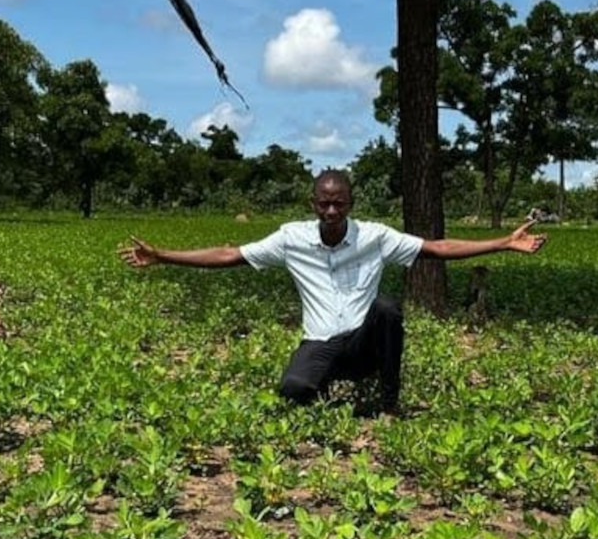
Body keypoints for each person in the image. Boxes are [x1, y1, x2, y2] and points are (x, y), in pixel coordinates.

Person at [118, 169, 545, 415]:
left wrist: (503, 242)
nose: (331, 211)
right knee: (293, 394)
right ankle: (331, 386)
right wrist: (164, 256)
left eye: (339, 203)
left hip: (362, 341)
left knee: (388, 308)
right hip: (320, 341)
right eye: (324, 203)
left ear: (350, 203)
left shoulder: (374, 236)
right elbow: (229, 254)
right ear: (312, 204)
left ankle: (388, 401)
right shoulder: (291, 238)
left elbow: (437, 247)